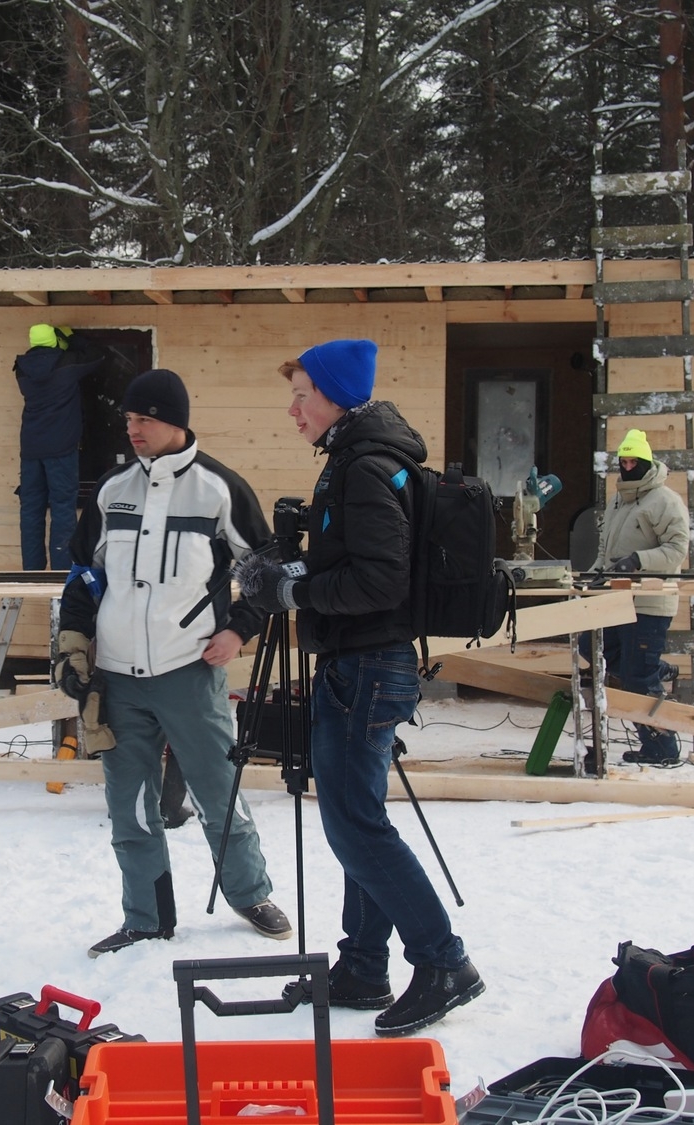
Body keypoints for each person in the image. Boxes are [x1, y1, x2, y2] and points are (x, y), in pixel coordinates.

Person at [239, 338, 482, 1038]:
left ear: (338, 395)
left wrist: (294, 587)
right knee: (359, 818)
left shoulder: (366, 468)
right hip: (365, 665)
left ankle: (444, 962)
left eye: (302, 393)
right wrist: (302, 559)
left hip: (367, 667)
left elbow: (381, 580)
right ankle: (365, 963)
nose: (293, 408)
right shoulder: (364, 462)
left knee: (353, 822)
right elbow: (366, 560)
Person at [55, 368, 290, 956]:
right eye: (128, 419)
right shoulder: (112, 490)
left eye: (144, 419)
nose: (132, 429)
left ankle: (249, 894)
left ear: (175, 422)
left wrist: (240, 630)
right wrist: (72, 644)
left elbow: (269, 573)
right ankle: (146, 917)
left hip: (189, 672)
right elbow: (83, 576)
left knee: (219, 792)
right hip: (117, 678)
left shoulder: (219, 489)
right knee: (131, 806)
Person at [589, 429, 691, 765]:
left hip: (649, 603)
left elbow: (677, 549)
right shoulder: (620, 499)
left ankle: (662, 748)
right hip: (616, 599)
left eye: (635, 462)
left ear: (647, 463)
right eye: (624, 461)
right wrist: (594, 574)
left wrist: (639, 561)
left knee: (636, 679)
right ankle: (656, 668)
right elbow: (607, 549)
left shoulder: (664, 501)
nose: (628, 467)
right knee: (593, 651)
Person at [13, 324, 104, 571]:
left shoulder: (21, 369)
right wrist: (73, 338)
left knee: (31, 510)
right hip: (62, 448)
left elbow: (43, 365)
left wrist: (59, 346)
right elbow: (96, 356)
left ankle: (32, 570)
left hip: (31, 449)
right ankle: (62, 570)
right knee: (63, 508)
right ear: (54, 340)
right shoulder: (66, 365)